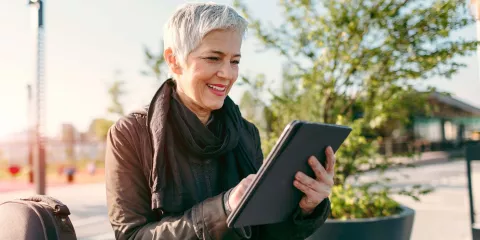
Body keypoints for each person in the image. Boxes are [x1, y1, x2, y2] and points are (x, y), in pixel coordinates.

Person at [105, 2, 335, 240]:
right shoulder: (130, 134)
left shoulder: (247, 133)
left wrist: (306, 207)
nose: (227, 74)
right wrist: (224, 209)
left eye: (235, 61)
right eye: (214, 58)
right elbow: (131, 236)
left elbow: (265, 234)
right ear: (174, 60)